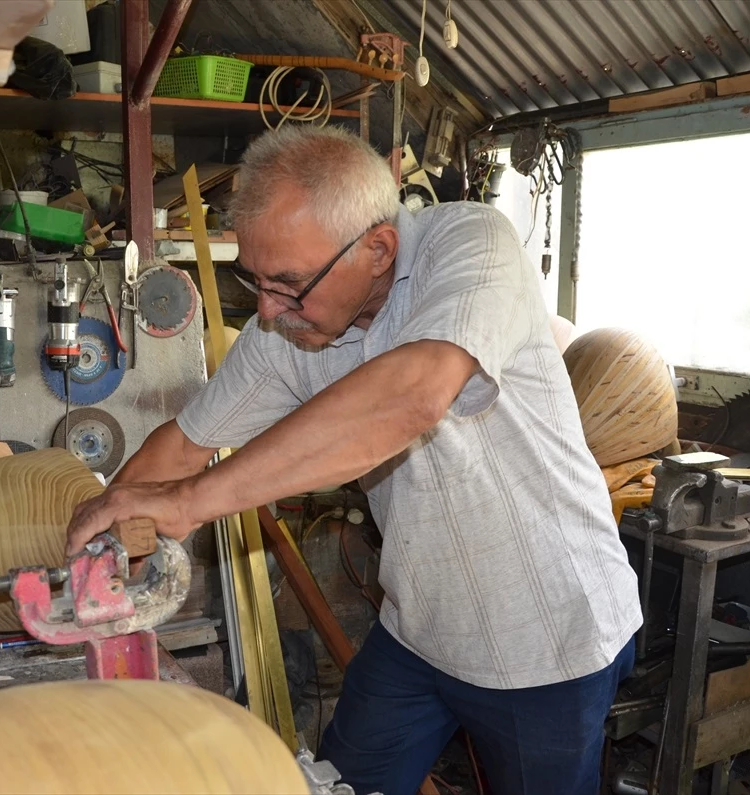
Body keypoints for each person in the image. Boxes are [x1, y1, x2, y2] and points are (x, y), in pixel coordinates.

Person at [65, 125, 641, 795]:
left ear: (378, 249)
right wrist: (108, 529)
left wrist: (188, 504)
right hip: (421, 627)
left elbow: (412, 395)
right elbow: (187, 441)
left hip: (548, 637)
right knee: (330, 785)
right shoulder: (288, 329)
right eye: (255, 282)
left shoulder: (472, 246)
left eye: (287, 285)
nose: (269, 311)